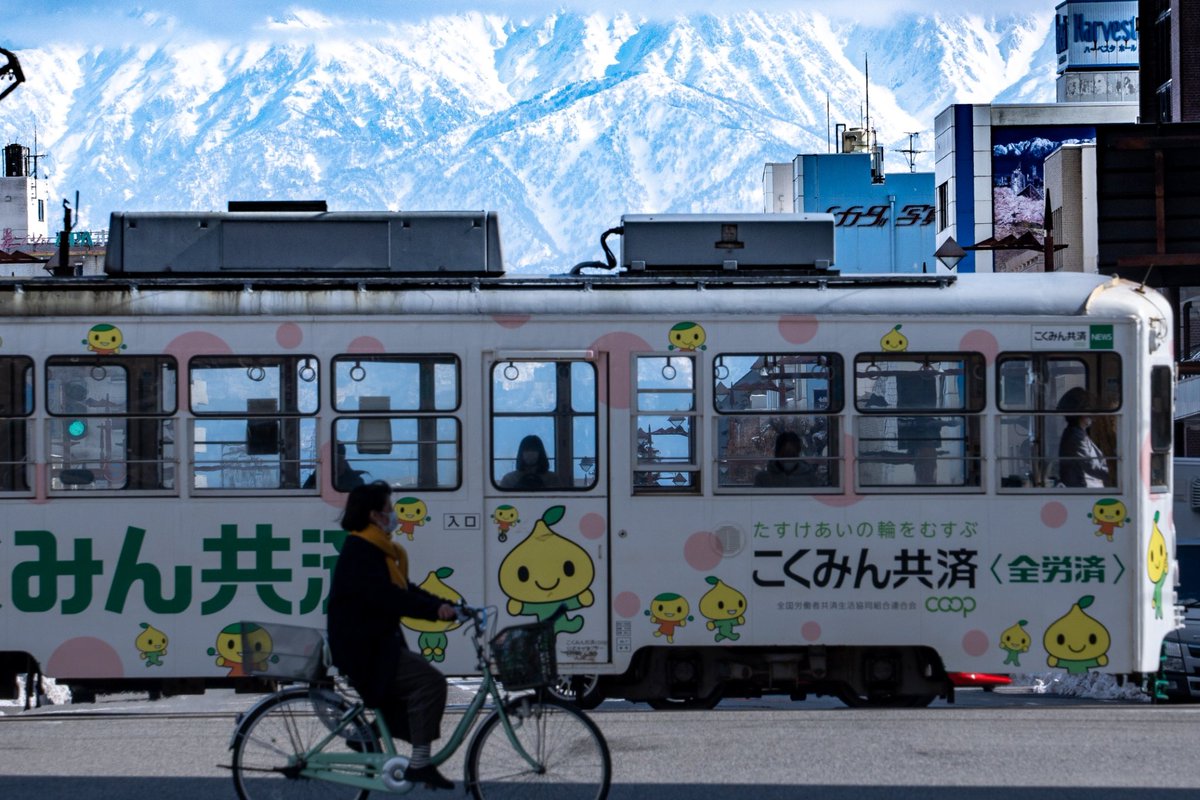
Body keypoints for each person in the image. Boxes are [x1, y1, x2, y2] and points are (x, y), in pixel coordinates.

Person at [326, 480, 459, 790]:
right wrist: (435, 611)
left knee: (406, 687)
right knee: (430, 683)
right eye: (390, 509)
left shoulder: (379, 549)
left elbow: (405, 590)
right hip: (364, 649)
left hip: (375, 642)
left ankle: (368, 735)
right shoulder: (363, 550)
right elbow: (390, 597)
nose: (394, 515)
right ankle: (420, 763)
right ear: (375, 515)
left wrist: (447, 606)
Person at [1057, 387, 1109, 488]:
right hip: (1084, 489)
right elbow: (1090, 466)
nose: (1092, 416)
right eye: (1088, 412)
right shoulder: (1075, 436)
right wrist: (1114, 473)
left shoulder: (1078, 433)